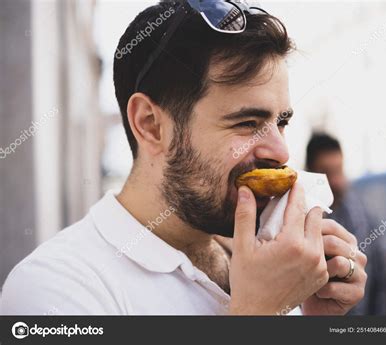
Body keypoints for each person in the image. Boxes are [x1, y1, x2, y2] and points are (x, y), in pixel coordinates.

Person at [1, 1, 367, 315]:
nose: (281, 151)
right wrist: (258, 313)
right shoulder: (54, 288)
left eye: (280, 122)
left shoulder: (272, 257)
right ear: (150, 125)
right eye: (247, 122)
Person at [306, 132, 386, 314]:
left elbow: (379, 284)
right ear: (310, 171)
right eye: (327, 173)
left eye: (338, 171)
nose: (335, 181)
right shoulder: (296, 220)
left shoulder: (365, 217)